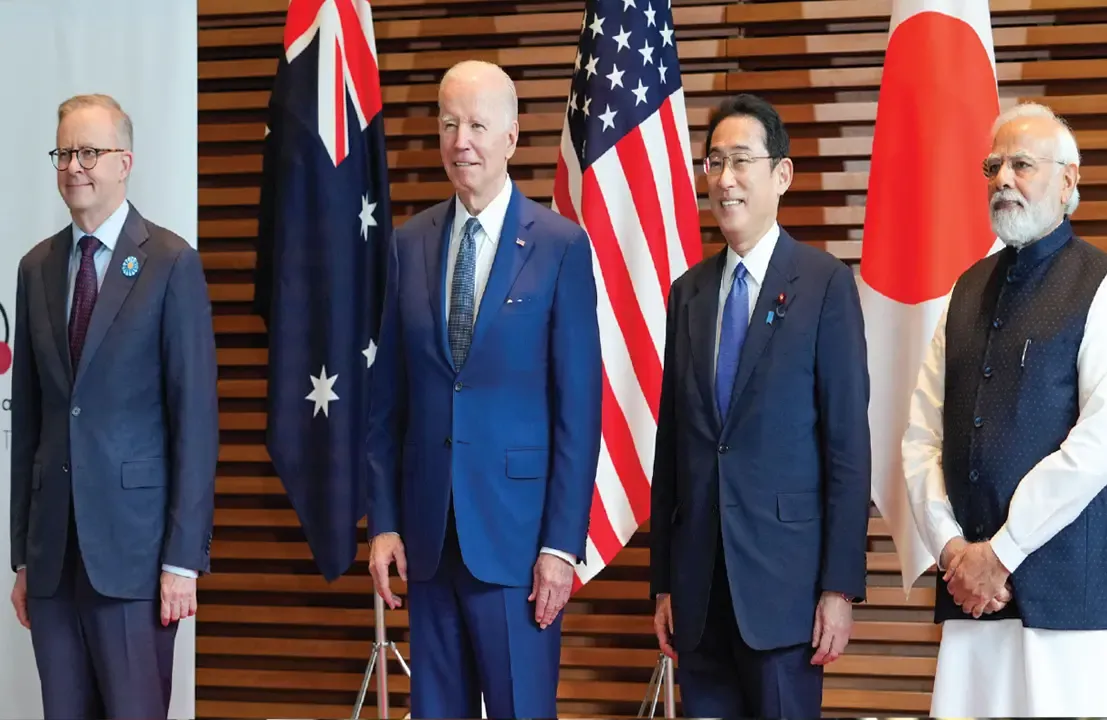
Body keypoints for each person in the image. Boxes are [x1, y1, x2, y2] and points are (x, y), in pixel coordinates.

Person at [365, 60, 602, 719]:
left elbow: (578, 413)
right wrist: (382, 522)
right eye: (447, 123)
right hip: (428, 542)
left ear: (510, 137)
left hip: (520, 548)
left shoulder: (558, 247)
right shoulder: (407, 245)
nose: (459, 140)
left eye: (475, 124)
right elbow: (385, 406)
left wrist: (560, 545)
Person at [649, 93, 872, 718]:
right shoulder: (688, 293)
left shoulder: (825, 284)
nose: (724, 179)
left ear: (781, 174)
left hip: (787, 593)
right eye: (713, 161)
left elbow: (848, 448)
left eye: (741, 160)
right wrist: (663, 581)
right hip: (698, 594)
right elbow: (674, 448)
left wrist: (839, 587)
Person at [7, 93, 218, 719]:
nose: (75, 166)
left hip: (137, 559)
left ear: (124, 162)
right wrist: (22, 554)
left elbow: (195, 424)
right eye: (65, 152)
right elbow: (32, 421)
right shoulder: (35, 267)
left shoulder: (171, 263)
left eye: (90, 152)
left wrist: (183, 558)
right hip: (53, 560)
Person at [903, 101, 1107, 716]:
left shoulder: (1098, 281)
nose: (1003, 180)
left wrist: (1002, 552)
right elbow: (920, 436)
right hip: (972, 595)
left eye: (1022, 164)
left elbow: (1098, 442)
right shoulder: (966, 289)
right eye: (993, 166)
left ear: (1068, 181)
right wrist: (953, 552)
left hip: (1063, 607)